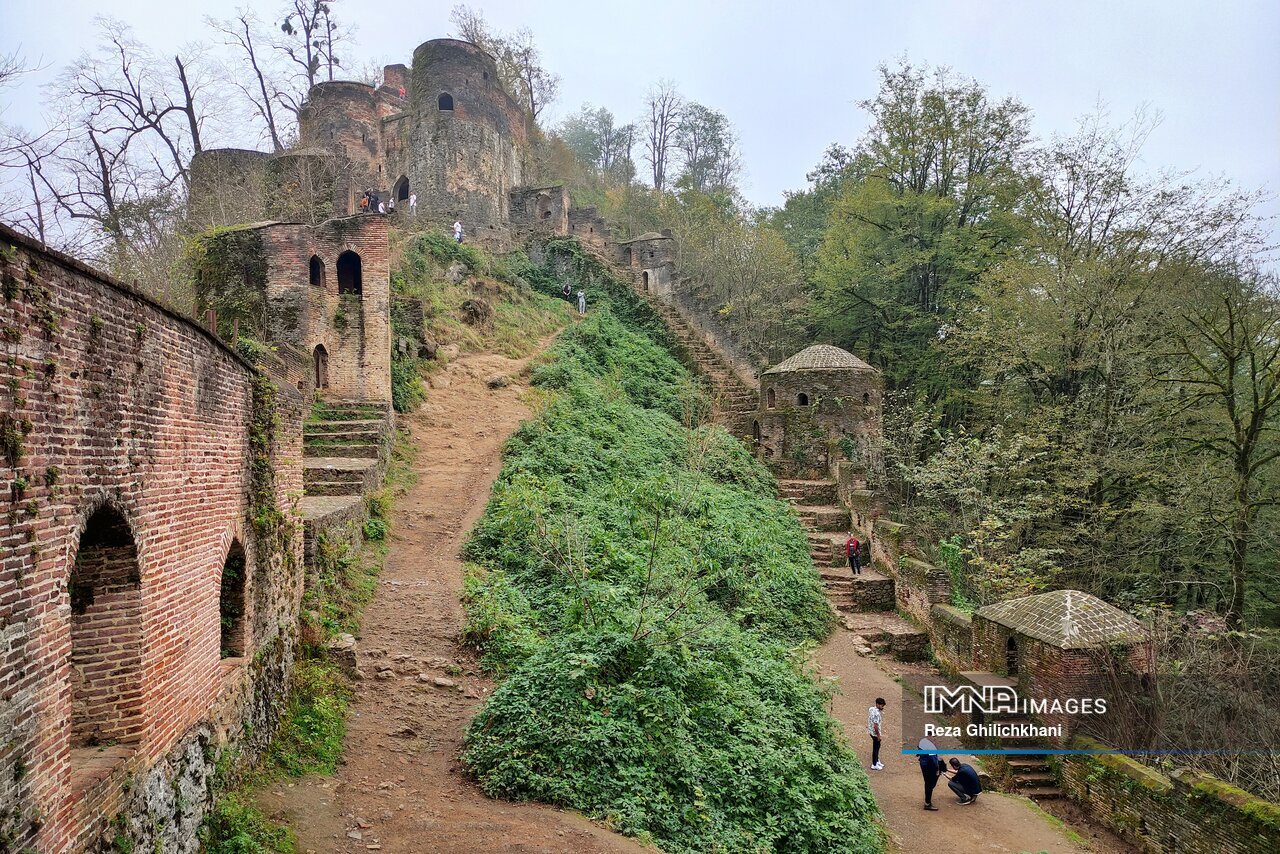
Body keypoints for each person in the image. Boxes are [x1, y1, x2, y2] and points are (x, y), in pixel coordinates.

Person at [918, 738, 945, 811]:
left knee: (927, 783)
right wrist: (938, 770)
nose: (935, 738)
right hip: (930, 767)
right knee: (930, 785)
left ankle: (927, 801)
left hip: (924, 764)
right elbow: (934, 760)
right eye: (934, 736)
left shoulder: (923, 741)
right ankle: (927, 804)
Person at [867, 697, 885, 770]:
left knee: (877, 746)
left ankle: (877, 760)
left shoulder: (871, 709)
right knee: (876, 748)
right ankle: (874, 764)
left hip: (870, 731)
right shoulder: (877, 714)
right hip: (875, 733)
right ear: (877, 704)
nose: (882, 707)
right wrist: (878, 735)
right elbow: (876, 726)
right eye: (881, 706)